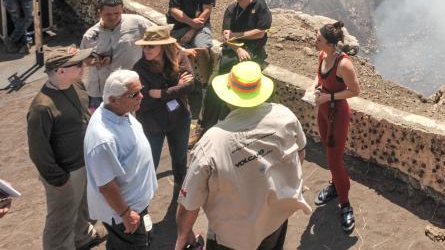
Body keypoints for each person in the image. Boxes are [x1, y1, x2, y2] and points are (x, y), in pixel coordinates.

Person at [174, 61, 310, 250]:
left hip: (233, 237)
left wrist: (183, 236)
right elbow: (300, 153)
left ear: (228, 97)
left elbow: (190, 203)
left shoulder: (213, 141)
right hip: (275, 219)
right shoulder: (284, 116)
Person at [27, 45, 105, 250]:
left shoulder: (76, 85)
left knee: (81, 207)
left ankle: (82, 237)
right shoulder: (42, 107)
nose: (84, 66)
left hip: (83, 162)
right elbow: (38, 151)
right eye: (78, 64)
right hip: (65, 173)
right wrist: (58, 178)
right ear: (61, 70)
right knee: (60, 221)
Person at [84, 69, 158, 249]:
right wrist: (126, 214)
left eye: (141, 90)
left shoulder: (120, 111)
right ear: (113, 100)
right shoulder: (103, 139)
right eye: (134, 94)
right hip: (125, 211)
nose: (141, 96)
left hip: (136, 204)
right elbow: (106, 186)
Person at [309, 20, 361, 234]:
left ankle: (345, 203)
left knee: (334, 159)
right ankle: (334, 185)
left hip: (337, 114)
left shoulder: (343, 64)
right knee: (328, 153)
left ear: (330, 43)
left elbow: (355, 91)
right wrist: (313, 87)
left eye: (318, 39)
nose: (315, 41)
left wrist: (328, 96)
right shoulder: (323, 56)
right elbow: (318, 76)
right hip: (323, 111)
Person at [199, 0, 271, 130]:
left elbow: (260, 32)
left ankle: (233, 124)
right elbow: (226, 35)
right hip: (232, 50)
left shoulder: (260, 6)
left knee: (238, 86)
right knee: (214, 85)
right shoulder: (232, 9)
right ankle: (205, 125)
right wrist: (237, 48)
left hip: (253, 50)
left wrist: (237, 35)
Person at [132, 25, 197, 186]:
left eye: (151, 46)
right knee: (150, 162)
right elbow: (143, 102)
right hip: (152, 124)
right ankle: (143, 198)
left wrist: (161, 93)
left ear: (163, 47)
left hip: (179, 119)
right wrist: (176, 87)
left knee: (180, 158)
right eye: (144, 46)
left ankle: (181, 187)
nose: (146, 50)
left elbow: (190, 85)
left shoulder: (179, 57)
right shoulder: (139, 69)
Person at [80, 0, 152, 109]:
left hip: (131, 87)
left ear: (122, 10)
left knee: (132, 113)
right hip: (102, 90)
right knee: (102, 119)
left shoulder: (137, 22)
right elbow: (84, 58)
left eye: (117, 13)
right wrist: (96, 62)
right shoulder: (90, 36)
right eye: (108, 14)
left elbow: (160, 37)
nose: (113, 17)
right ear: (99, 12)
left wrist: (181, 50)